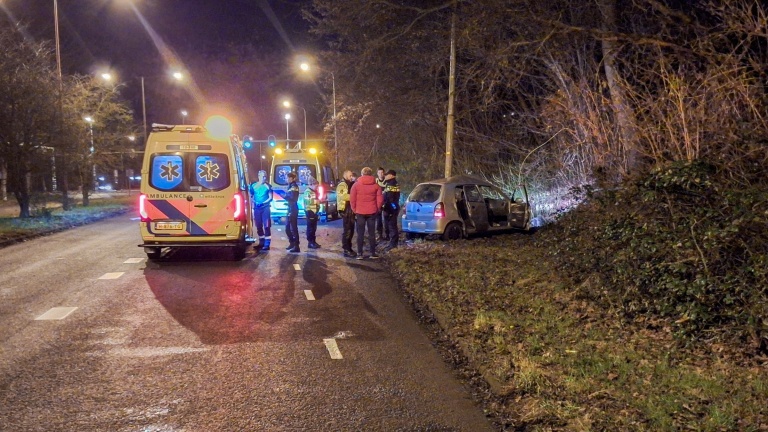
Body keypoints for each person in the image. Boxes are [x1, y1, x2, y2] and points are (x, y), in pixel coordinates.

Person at [350, 166, 383, 260]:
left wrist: (355, 210)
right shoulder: (376, 185)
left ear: (362, 174)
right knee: (371, 233)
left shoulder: (356, 185)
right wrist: (377, 208)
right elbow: (380, 200)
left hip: (360, 212)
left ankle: (359, 253)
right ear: (371, 174)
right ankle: (372, 253)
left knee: (360, 233)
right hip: (372, 212)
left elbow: (352, 199)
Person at [249, 170, 272, 250]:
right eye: (263, 176)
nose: (264, 178)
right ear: (259, 177)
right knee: (258, 226)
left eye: (265, 176)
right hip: (257, 209)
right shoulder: (253, 186)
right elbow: (250, 196)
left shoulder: (268, 186)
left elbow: (270, 197)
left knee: (266, 226)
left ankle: (267, 244)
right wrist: (254, 202)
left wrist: (263, 203)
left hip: (265, 208)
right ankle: (261, 243)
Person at [336, 170, 357, 257]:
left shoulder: (349, 184)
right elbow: (343, 196)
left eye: (352, 175)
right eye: (350, 175)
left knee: (351, 230)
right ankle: (346, 249)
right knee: (347, 230)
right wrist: (355, 196)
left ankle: (349, 247)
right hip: (345, 210)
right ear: (345, 175)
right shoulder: (342, 184)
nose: (351, 177)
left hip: (349, 210)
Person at [382, 169, 401, 250]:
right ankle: (392, 243)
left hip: (391, 208)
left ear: (392, 175)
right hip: (392, 208)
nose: (385, 176)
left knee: (392, 227)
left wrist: (391, 209)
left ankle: (393, 244)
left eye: (387, 175)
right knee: (391, 226)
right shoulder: (391, 183)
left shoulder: (391, 184)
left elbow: (390, 199)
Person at [303, 176, 321, 249]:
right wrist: (317, 201)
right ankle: (310, 242)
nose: (317, 187)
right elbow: (308, 202)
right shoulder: (308, 192)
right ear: (312, 184)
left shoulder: (313, 191)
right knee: (310, 228)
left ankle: (313, 241)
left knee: (313, 228)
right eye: (316, 186)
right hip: (310, 212)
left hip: (314, 212)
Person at [284, 171, 300, 253]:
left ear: (292, 178)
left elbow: (293, 198)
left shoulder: (294, 186)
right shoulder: (290, 186)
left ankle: (296, 246)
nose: (287, 179)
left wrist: (285, 196)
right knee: (287, 228)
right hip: (290, 207)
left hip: (293, 208)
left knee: (293, 228)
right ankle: (292, 243)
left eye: (288, 178)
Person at [375, 167, 388, 242]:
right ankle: (380, 235)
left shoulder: (387, 181)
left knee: (386, 219)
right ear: (377, 173)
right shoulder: (375, 181)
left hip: (386, 202)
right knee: (378, 220)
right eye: (379, 173)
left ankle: (387, 235)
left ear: (384, 173)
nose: (380, 174)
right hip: (378, 203)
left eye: (382, 172)